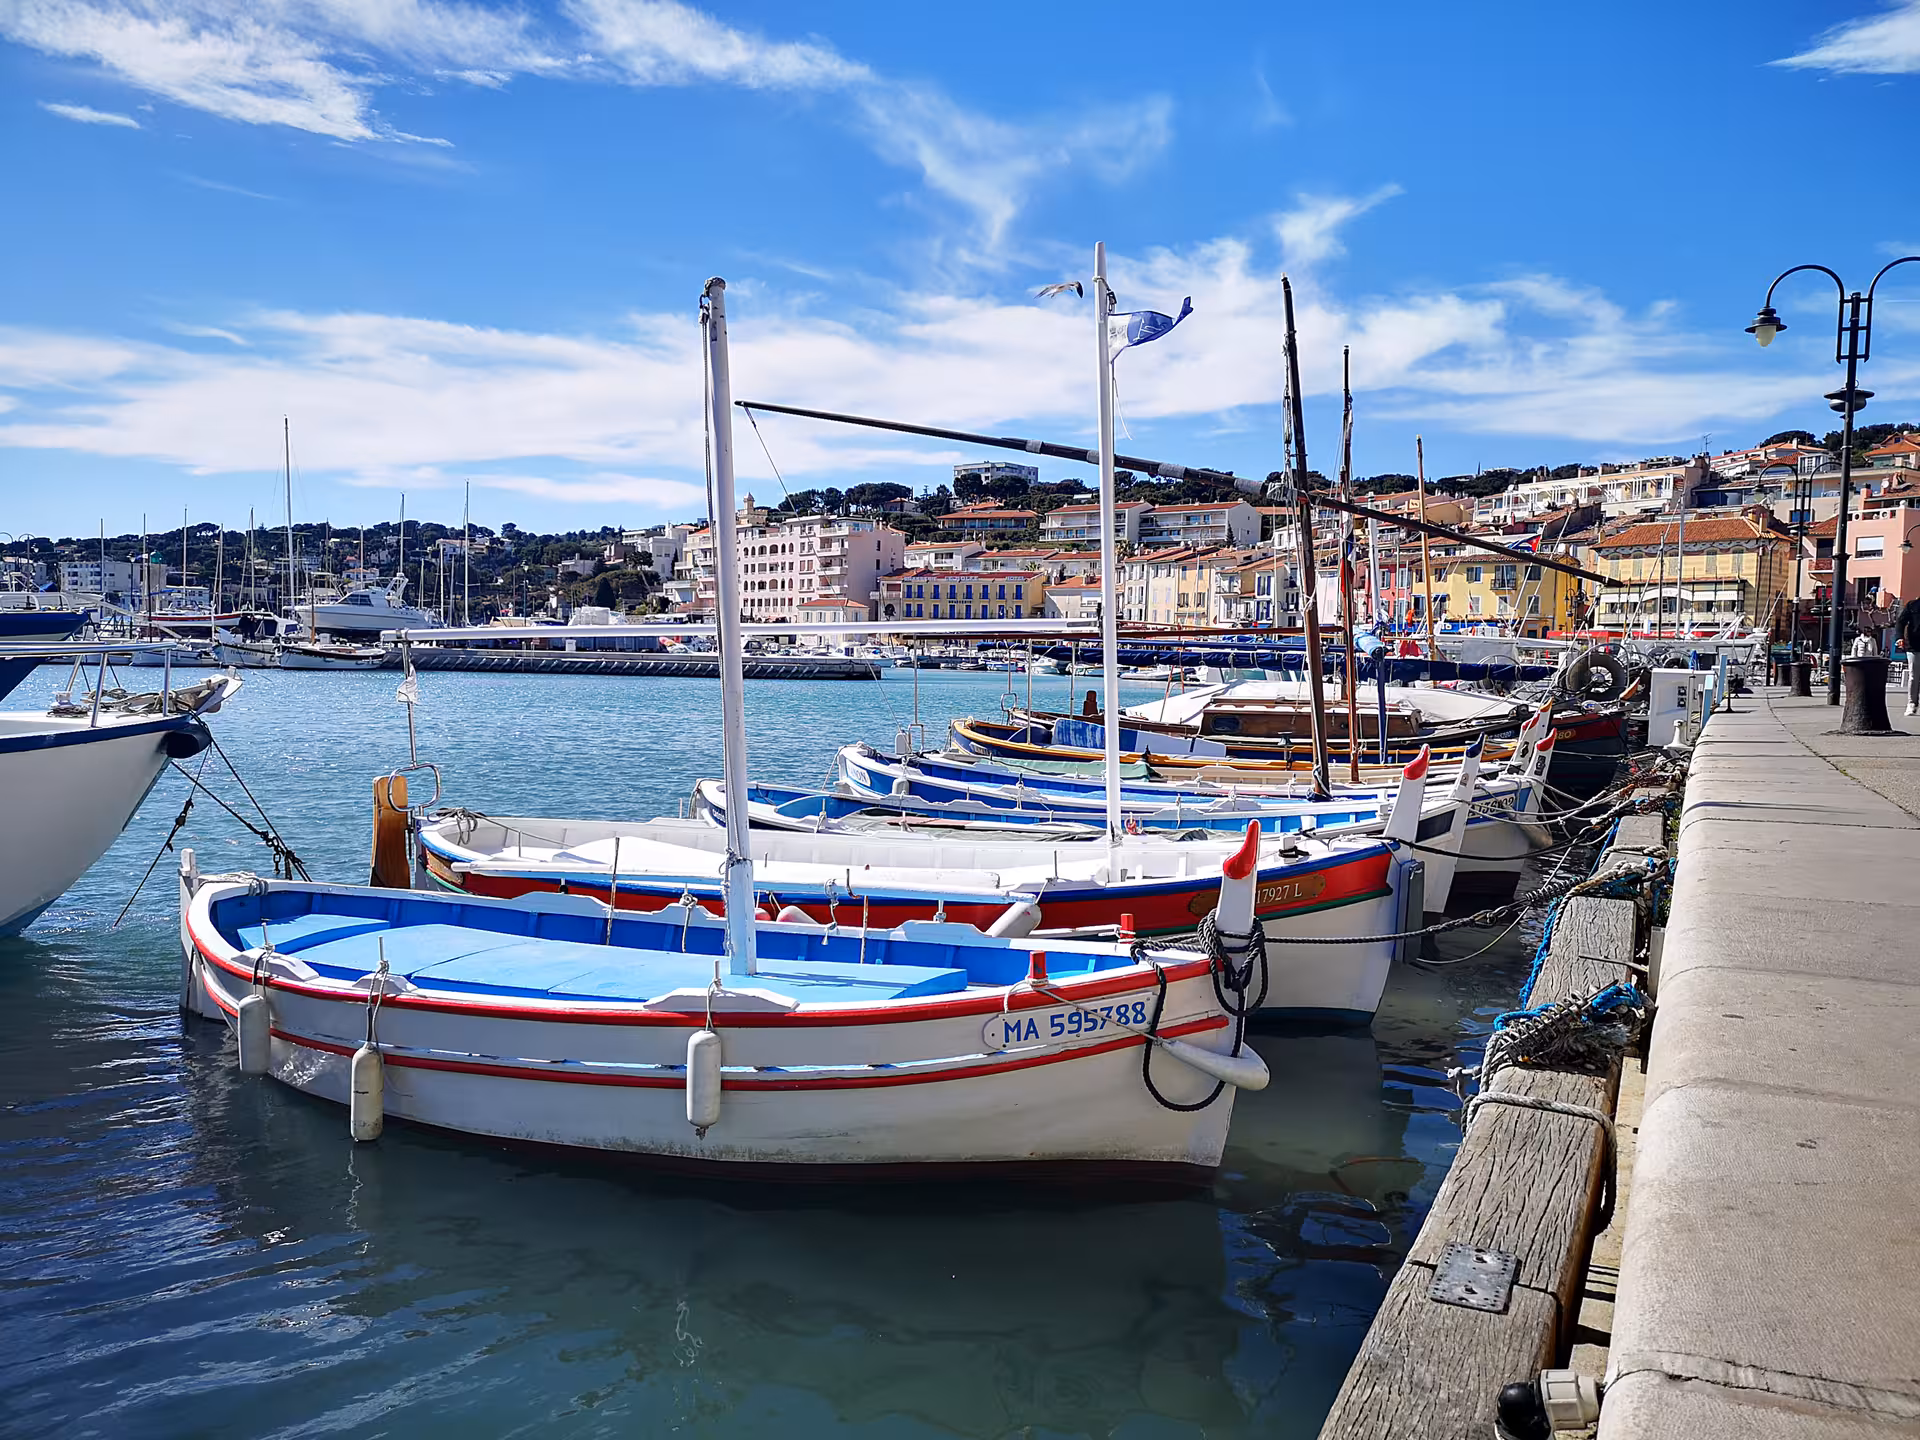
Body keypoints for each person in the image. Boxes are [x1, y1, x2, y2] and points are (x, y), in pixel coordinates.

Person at [1899, 594, 1920, 716]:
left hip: (1913, 645)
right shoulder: (1912, 605)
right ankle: (1912, 703)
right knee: (1914, 675)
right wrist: (1899, 637)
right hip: (1914, 645)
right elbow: (1900, 622)